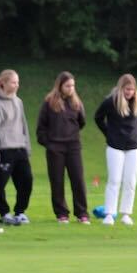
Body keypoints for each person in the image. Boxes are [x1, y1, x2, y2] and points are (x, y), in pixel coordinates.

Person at [37, 71, 89, 224]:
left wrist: (71, 134)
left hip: (73, 146)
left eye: (72, 86)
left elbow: (81, 122)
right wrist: (49, 144)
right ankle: (61, 213)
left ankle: (82, 213)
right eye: (67, 86)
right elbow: (41, 127)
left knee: (78, 179)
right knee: (57, 181)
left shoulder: (77, 103)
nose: (71, 88)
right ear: (59, 86)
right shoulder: (49, 103)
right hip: (55, 148)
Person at [94, 73, 137, 226]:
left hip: (134, 146)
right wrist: (109, 133)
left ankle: (126, 214)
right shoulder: (111, 102)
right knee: (114, 180)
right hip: (115, 146)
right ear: (121, 88)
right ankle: (110, 213)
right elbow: (98, 117)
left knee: (130, 181)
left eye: (132, 90)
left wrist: (134, 133)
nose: (129, 92)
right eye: (127, 89)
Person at [0, 69, 33, 226]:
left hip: (20, 148)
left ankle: (20, 212)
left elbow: (23, 125)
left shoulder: (18, 101)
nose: (17, 85)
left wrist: (27, 146)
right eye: (13, 82)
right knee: (0, 184)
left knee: (27, 180)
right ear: (3, 84)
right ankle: (4, 213)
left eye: (17, 82)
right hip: (3, 150)